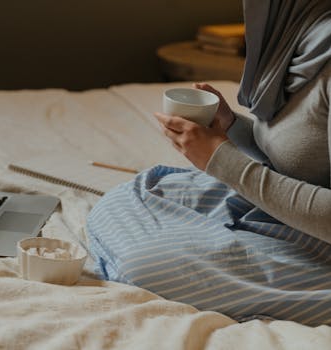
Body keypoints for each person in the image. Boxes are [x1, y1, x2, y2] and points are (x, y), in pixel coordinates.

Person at [86, 0, 331, 326]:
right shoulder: (306, 32)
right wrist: (229, 126)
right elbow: (303, 149)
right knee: (126, 200)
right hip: (287, 210)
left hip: (318, 232)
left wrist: (223, 161)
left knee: (146, 263)